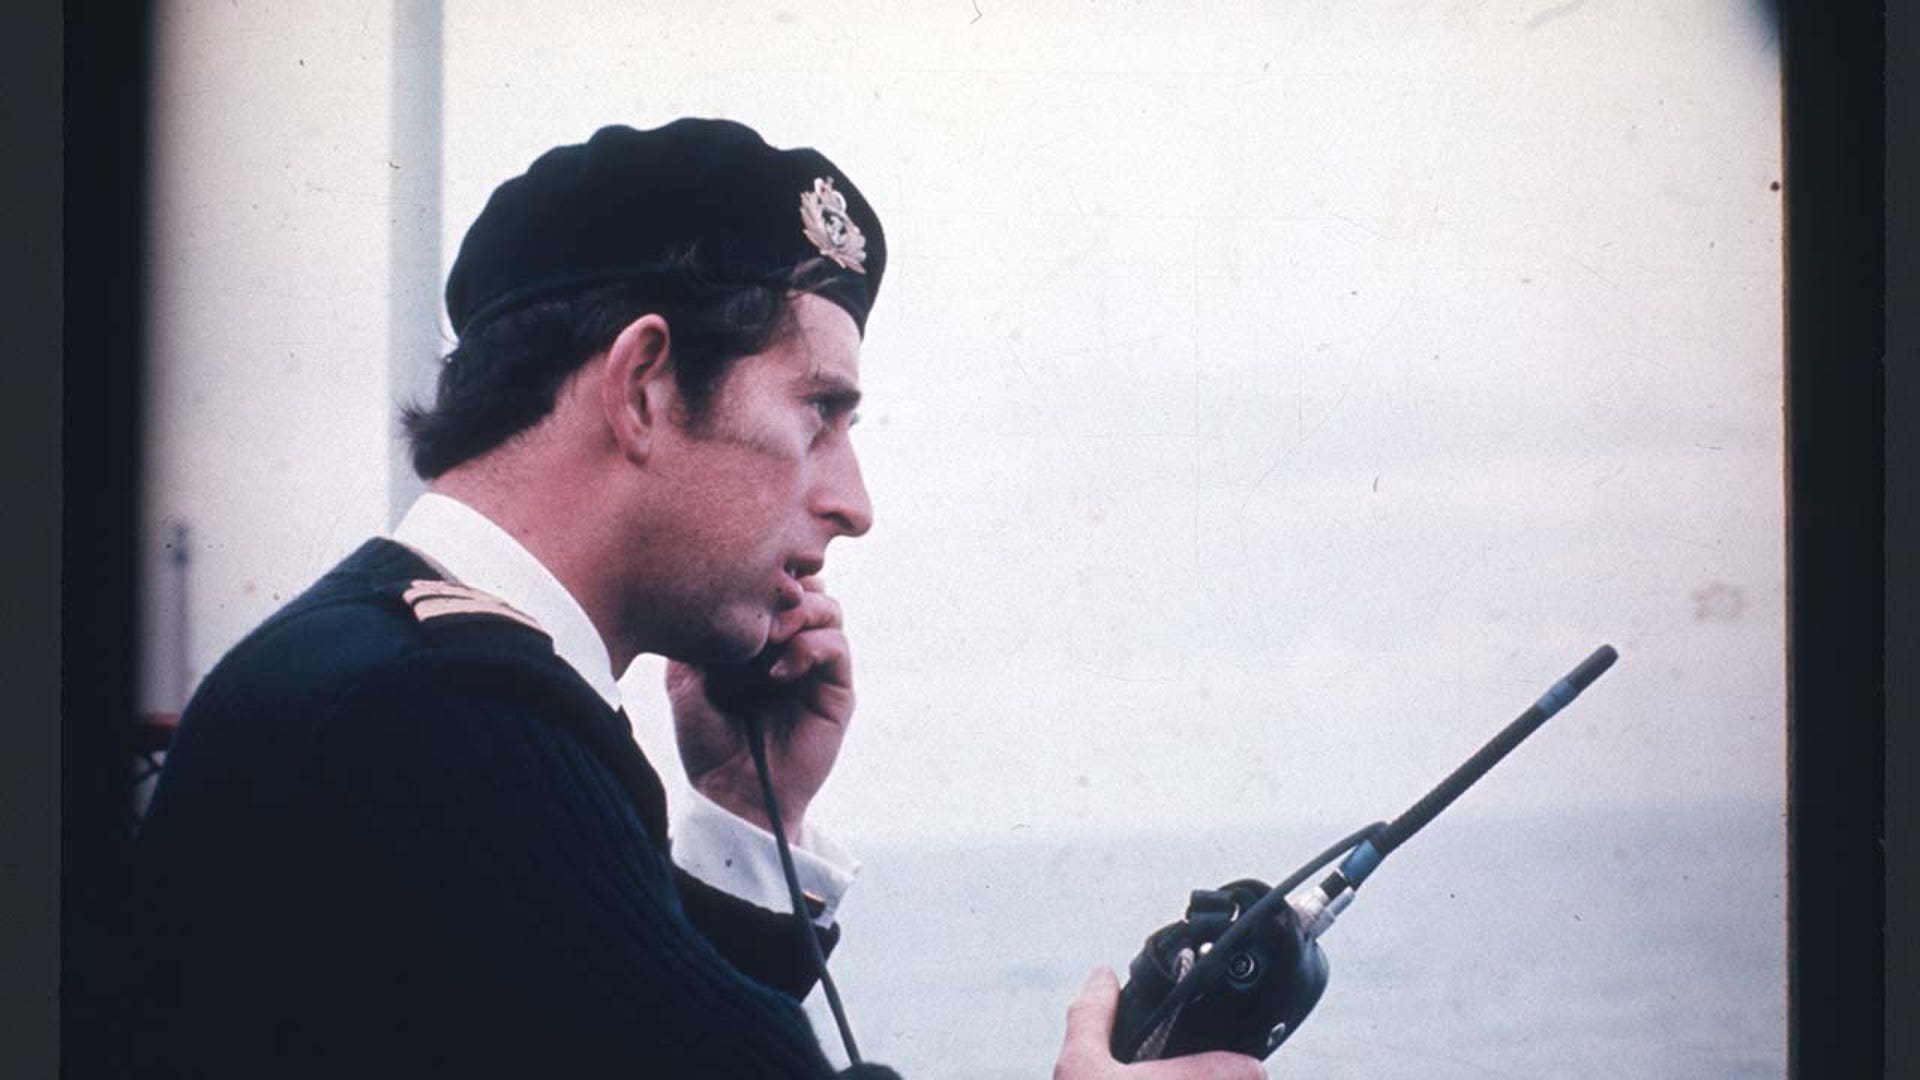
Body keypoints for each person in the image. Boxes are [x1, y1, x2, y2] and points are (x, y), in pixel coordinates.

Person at [121, 118, 1265, 1080]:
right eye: (819, 413)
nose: (854, 503)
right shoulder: (444, 723)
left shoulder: (378, 665)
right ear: (643, 386)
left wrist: (738, 811)